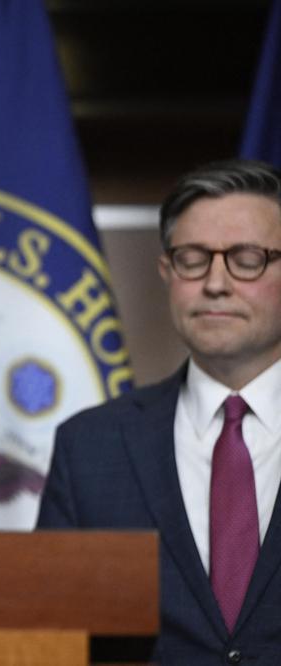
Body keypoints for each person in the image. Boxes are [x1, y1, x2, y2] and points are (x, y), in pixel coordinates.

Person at [38, 159, 281, 663]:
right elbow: (54, 635)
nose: (216, 282)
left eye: (247, 259)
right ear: (167, 272)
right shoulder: (90, 447)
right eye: (193, 259)